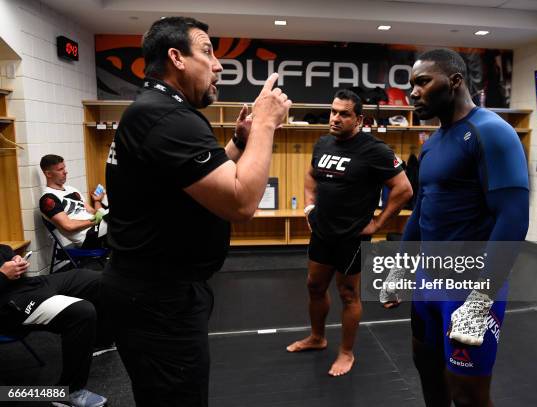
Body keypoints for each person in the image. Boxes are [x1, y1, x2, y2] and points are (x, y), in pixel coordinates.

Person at [101, 16, 291, 406]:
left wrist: (239, 143)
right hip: (157, 299)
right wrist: (266, 126)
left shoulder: (156, 110)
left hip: (155, 291)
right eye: (207, 51)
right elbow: (241, 202)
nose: (219, 65)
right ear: (177, 57)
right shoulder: (168, 117)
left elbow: (200, 181)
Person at [403, 48, 528, 407]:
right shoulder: (433, 143)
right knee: (428, 374)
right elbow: (422, 211)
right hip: (428, 284)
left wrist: (479, 300)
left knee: (467, 395)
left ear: (455, 81)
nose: (414, 92)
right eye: (412, 84)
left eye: (423, 82)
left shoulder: (492, 132)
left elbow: (513, 220)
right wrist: (399, 267)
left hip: (469, 287)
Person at [286, 89, 412, 376]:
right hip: (321, 232)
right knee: (314, 286)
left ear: (358, 119)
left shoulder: (374, 150)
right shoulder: (322, 144)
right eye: (333, 111)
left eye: (344, 113)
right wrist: (308, 207)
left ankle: (346, 352)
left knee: (347, 294)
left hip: (351, 236)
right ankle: (317, 338)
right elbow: (310, 175)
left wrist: (378, 224)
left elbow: (404, 189)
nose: (335, 118)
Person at [0, 244, 107, 407]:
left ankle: (99, 341)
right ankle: (68, 392)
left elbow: (3, 251)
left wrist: (15, 260)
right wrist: (2, 274)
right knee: (82, 312)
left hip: (28, 285)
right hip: (8, 307)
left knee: (99, 281)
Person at [39, 155, 107, 249]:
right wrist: (96, 220)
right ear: (48, 174)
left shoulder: (72, 190)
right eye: (60, 169)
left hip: (99, 228)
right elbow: (68, 226)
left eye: (64, 168)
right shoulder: (48, 199)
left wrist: (97, 201)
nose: (65, 172)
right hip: (88, 237)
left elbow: (94, 213)